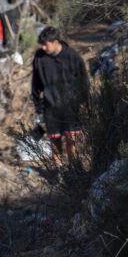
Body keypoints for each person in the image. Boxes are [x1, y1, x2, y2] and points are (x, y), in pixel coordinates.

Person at [31, 26, 88, 166]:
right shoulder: (40, 57)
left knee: (71, 140)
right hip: (51, 106)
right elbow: (36, 83)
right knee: (55, 142)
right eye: (42, 45)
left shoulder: (72, 56)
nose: (43, 48)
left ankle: (74, 169)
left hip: (71, 105)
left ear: (56, 41)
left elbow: (83, 80)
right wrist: (38, 106)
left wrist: (84, 101)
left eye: (46, 44)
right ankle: (59, 171)